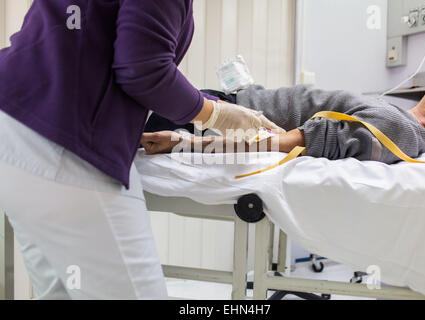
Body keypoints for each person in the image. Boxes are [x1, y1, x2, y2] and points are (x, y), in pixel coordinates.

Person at [0, 1, 281, 300]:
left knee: (60, 293)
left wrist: (209, 107)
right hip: (63, 144)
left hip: (14, 124)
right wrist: (214, 115)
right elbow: (143, 70)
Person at [142, 85, 425, 161]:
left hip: (214, 118)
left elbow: (290, 143)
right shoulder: (402, 126)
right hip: (223, 108)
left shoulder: (399, 130)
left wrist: (186, 143)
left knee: (119, 105)